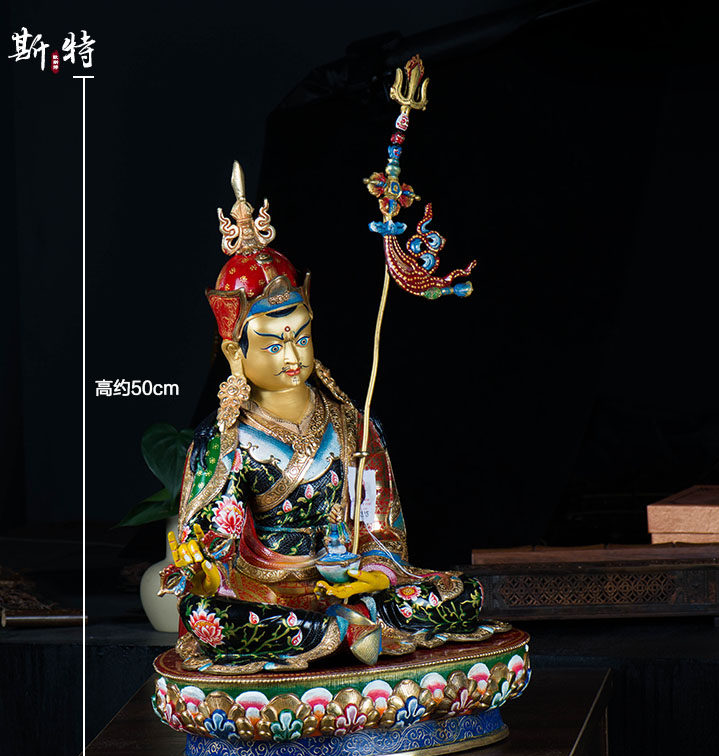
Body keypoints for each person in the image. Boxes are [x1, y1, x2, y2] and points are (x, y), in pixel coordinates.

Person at [159, 164, 504, 674]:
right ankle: (342, 631)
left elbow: (382, 532)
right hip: (265, 595)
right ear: (235, 351)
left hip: (348, 582)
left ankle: (350, 621)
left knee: (461, 593)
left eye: (301, 337)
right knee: (208, 617)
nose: (291, 356)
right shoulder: (227, 439)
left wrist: (374, 575)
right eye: (272, 344)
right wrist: (203, 573)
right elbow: (214, 553)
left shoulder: (353, 426)